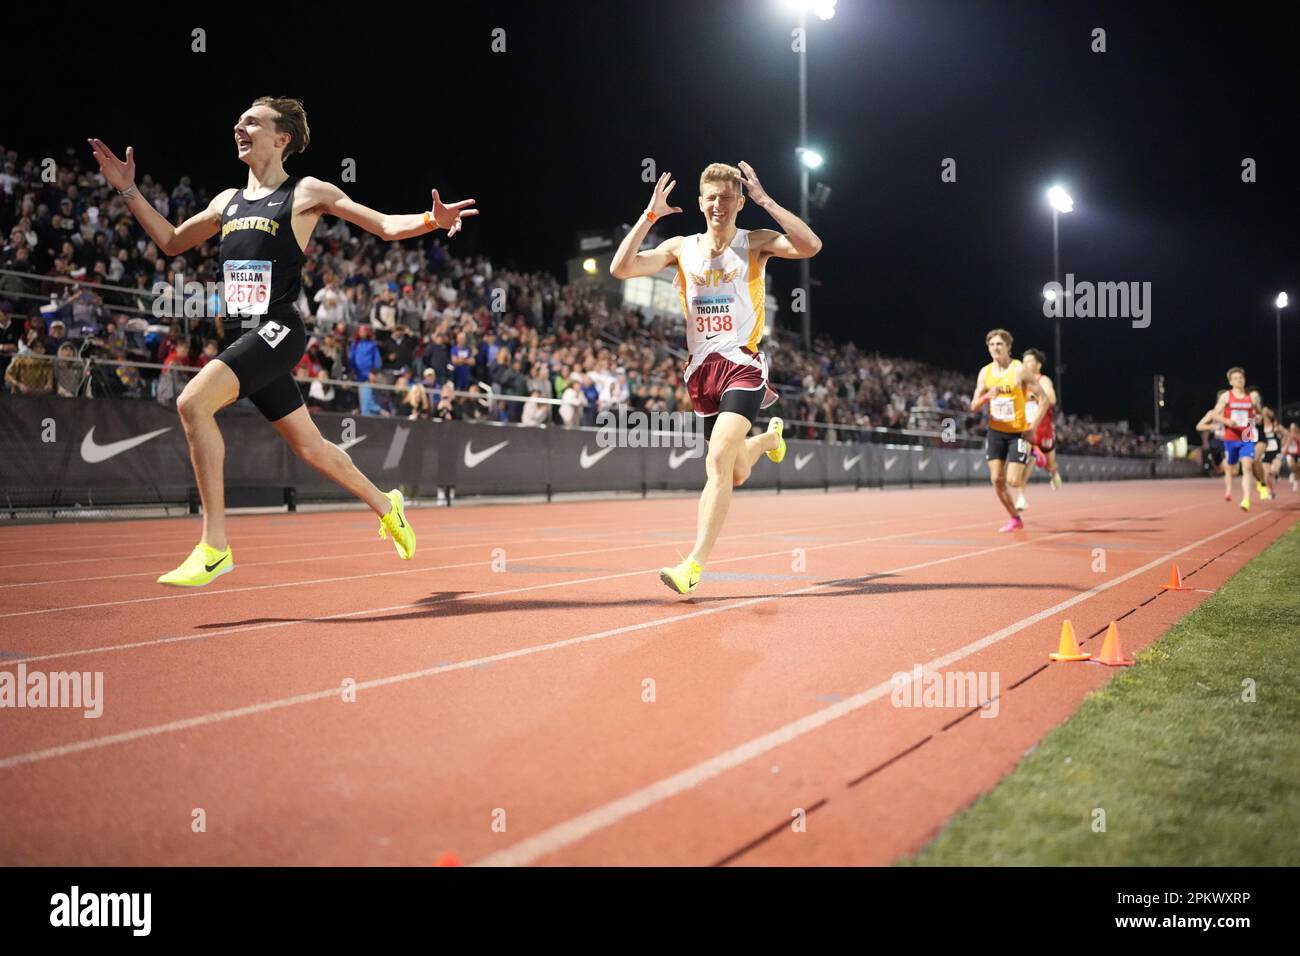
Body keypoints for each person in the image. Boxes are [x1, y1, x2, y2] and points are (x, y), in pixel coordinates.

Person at [88, 96, 476, 585]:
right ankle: (387, 505)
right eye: (238, 120)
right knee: (311, 448)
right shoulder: (224, 202)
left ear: (282, 138)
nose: (239, 126)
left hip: (280, 329)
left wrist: (429, 220)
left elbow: (380, 225)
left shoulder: (306, 190)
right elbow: (169, 241)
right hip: (244, 336)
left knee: (192, 403)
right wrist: (129, 191)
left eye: (252, 121)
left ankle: (214, 546)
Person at [610, 162, 821, 594]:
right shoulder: (680, 247)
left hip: (742, 363)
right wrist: (648, 216)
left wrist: (768, 202)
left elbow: (810, 245)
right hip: (701, 372)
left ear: (740, 202)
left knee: (717, 459)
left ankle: (693, 565)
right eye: (711, 197)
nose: (718, 205)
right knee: (736, 468)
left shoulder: (755, 243)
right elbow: (620, 269)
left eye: (727, 197)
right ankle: (767, 440)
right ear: (700, 202)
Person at [969, 328, 1049, 531]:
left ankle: (1033, 454)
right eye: (992, 344)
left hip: (1018, 433)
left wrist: (1033, 427)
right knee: (996, 479)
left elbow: (1044, 400)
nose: (995, 348)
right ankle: (1015, 518)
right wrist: (987, 397)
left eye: (999, 344)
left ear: (1008, 348)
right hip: (995, 431)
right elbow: (973, 406)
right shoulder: (985, 373)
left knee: (1013, 481)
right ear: (988, 348)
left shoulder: (1019, 370)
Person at [1207, 367, 1261, 511]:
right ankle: (1229, 490)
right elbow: (1214, 414)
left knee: (1247, 466)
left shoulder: (1253, 397)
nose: (1239, 380)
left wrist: (1257, 418)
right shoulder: (1226, 396)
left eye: (1241, 377)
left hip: (1246, 436)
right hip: (1231, 437)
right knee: (1231, 468)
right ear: (1230, 381)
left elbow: (1258, 413)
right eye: (1236, 378)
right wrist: (1226, 421)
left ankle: (1246, 499)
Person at [1015, 347, 1060, 511]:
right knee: (1024, 462)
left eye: (1029, 361)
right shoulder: (1020, 382)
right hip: (1027, 430)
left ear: (1038, 365)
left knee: (1050, 465)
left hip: (1044, 431)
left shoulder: (1043, 380)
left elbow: (1052, 399)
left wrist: (1035, 395)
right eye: (1024, 361)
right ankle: (1021, 497)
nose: (1025, 364)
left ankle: (1054, 473)